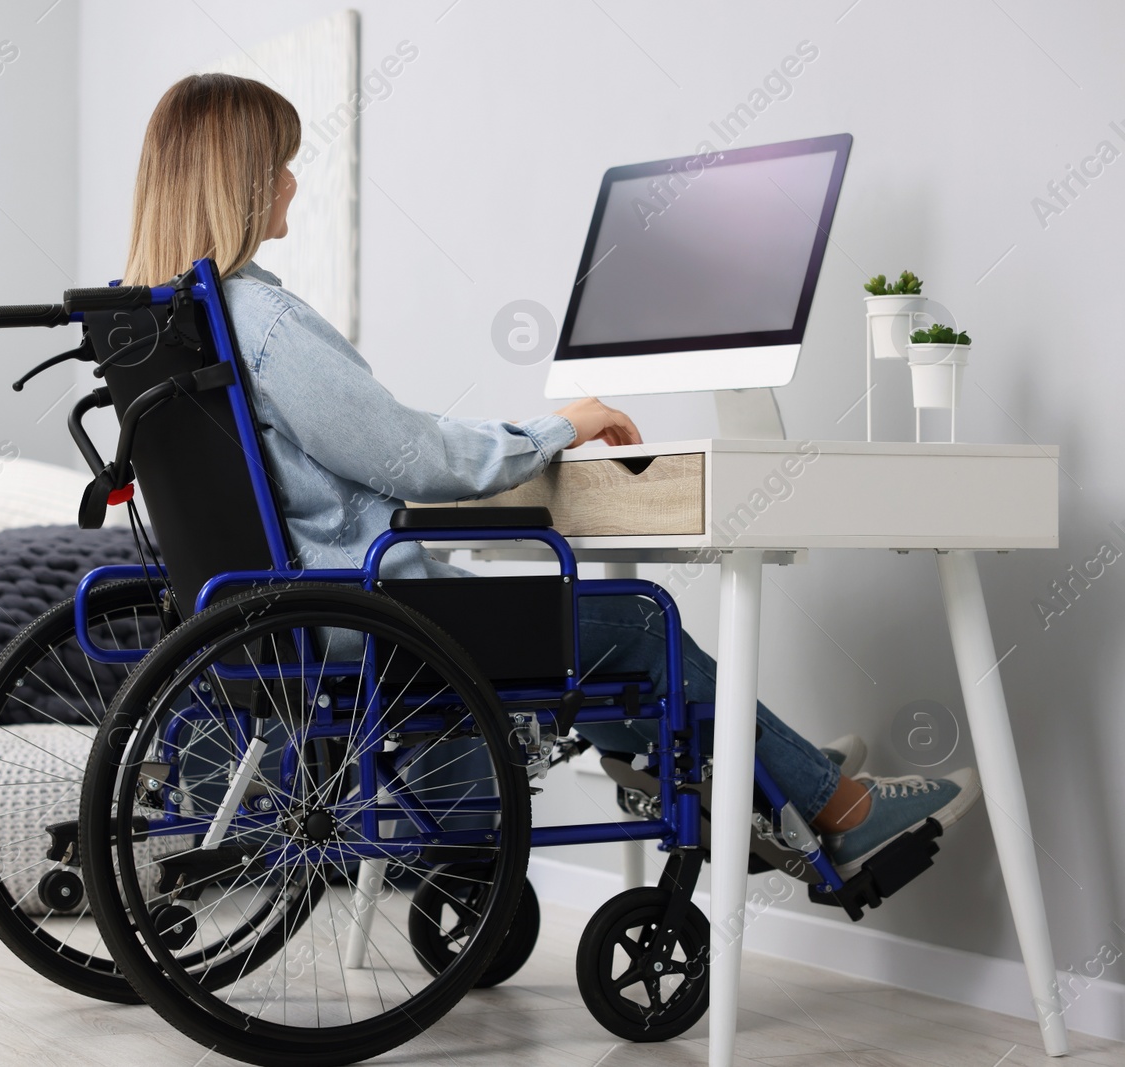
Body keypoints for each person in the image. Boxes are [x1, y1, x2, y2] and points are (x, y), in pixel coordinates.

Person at [119, 72, 981, 878]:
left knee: (589, 626)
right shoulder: (262, 318)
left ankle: (782, 773)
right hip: (363, 614)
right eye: (280, 166)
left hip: (266, 618)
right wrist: (557, 428)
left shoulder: (172, 327)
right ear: (237, 179)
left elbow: (384, 452)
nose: (293, 185)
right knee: (639, 626)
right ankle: (838, 803)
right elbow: (409, 457)